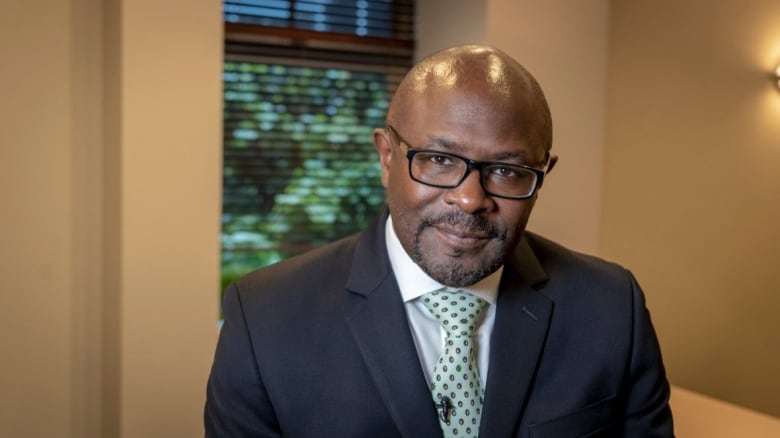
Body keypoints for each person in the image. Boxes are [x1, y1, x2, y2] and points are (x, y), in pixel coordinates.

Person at [205, 44, 674, 437]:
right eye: (439, 160)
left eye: (507, 171)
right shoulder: (265, 317)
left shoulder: (613, 308)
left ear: (542, 174)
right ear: (386, 157)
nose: (470, 199)